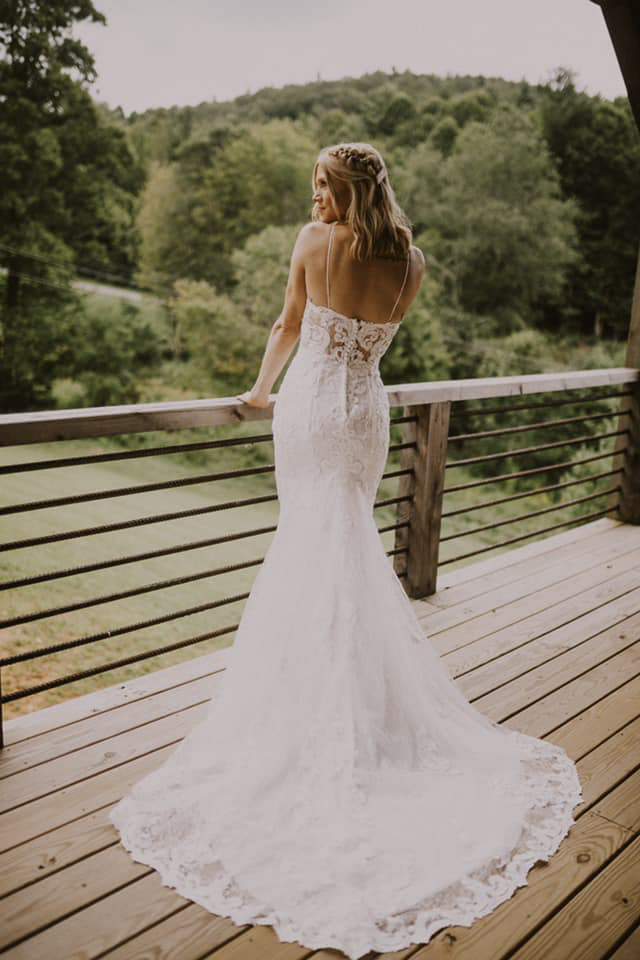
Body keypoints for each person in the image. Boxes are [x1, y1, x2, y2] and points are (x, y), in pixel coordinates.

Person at [109, 142, 583, 960]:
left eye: (322, 185)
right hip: (365, 416)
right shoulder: (412, 262)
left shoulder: (310, 241)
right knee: (346, 551)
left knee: (310, 550)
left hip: (309, 414)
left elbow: (290, 324)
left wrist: (258, 392)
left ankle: (313, 714)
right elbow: (376, 340)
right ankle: (362, 715)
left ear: (346, 189)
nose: (313, 195)